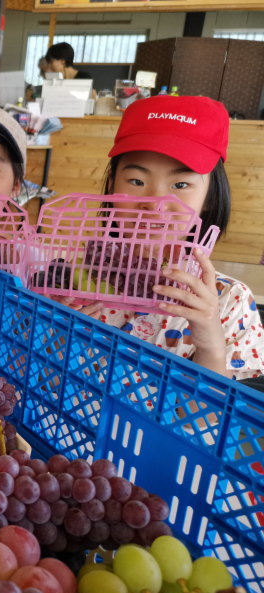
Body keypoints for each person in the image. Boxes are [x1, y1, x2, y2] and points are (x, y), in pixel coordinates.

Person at [66, 95, 264, 380]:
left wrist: (210, 346)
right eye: (137, 181)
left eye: (180, 184)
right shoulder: (68, 280)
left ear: (210, 196)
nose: (155, 202)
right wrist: (52, 331)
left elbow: (208, 421)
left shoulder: (230, 302)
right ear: (111, 187)